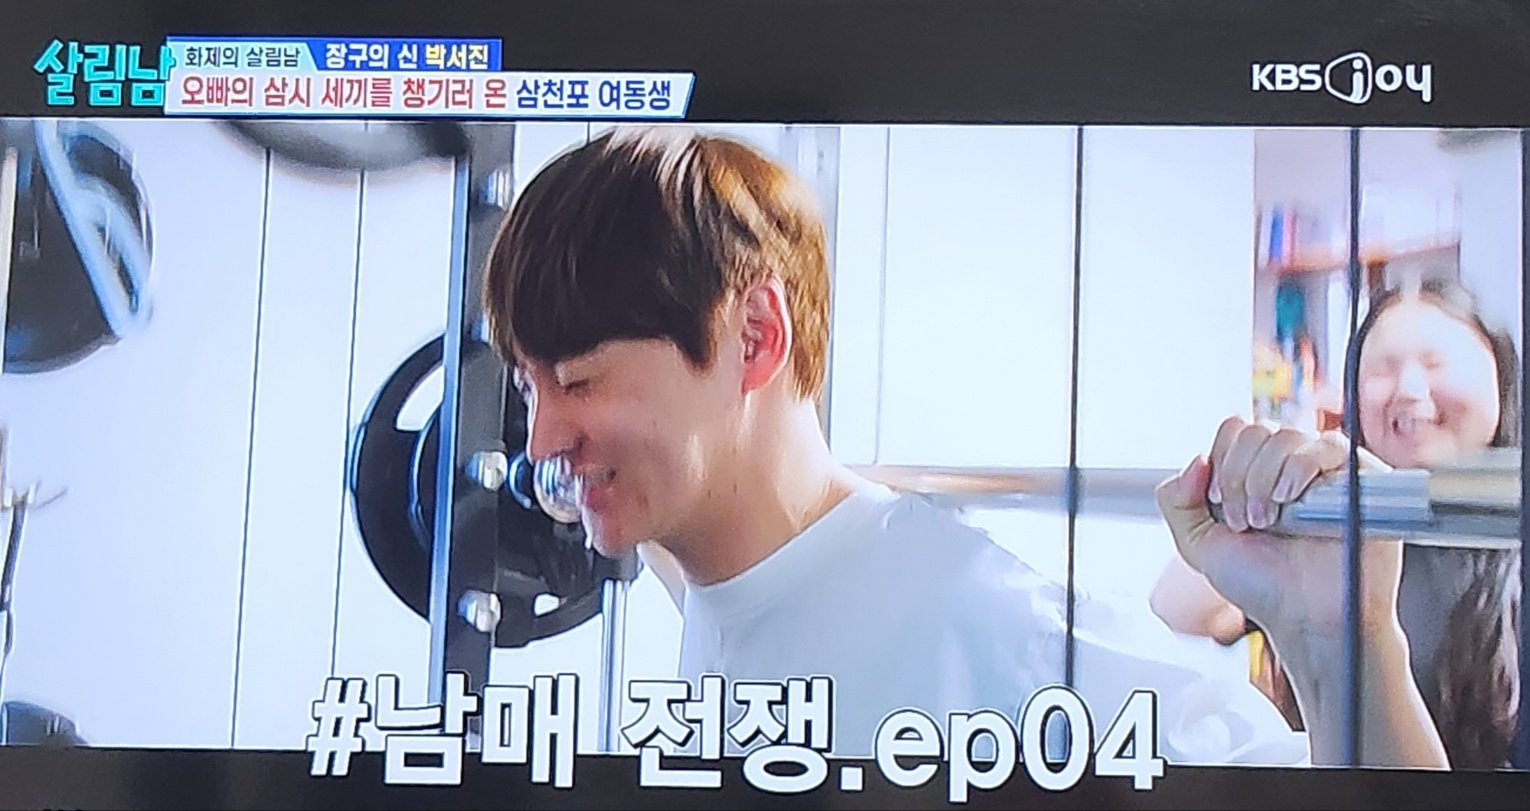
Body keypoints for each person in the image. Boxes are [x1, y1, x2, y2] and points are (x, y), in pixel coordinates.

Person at [480, 125, 1432, 765]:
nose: (542, 436)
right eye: (529, 385)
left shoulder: (993, 631)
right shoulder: (712, 567)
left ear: (756, 337)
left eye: (580, 380)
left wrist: (1340, 645)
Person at [1152, 275, 1521, 769]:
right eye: (1383, 370)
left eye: (1435, 363)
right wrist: (1261, 494)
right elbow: (1175, 612)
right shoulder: (1327, 532)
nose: (1410, 390)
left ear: (1501, 376)